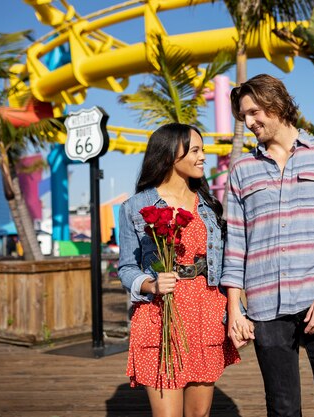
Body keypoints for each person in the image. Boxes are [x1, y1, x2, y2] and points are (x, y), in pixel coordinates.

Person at [222, 74, 314, 417]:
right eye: (244, 117)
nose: (249, 122)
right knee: (282, 408)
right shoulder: (242, 170)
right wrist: (233, 310)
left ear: (277, 103)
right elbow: (235, 243)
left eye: (254, 112)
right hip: (265, 304)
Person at [118, 123, 240, 417]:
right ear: (172, 154)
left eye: (202, 150)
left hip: (206, 313)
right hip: (161, 316)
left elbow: (225, 266)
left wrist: (237, 313)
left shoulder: (209, 207)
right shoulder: (135, 207)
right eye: (195, 150)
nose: (202, 157)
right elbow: (126, 267)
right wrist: (150, 284)